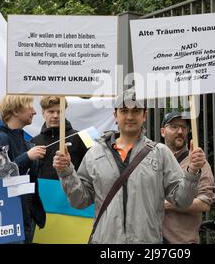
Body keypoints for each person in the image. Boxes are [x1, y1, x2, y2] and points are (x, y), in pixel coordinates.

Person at [53, 88, 206, 243]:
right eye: (124, 110)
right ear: (115, 115)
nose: (130, 116)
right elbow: (80, 200)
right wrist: (66, 172)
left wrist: (192, 171)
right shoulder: (95, 154)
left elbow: (183, 200)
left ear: (144, 115)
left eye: (136, 111)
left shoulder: (160, 153)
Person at [0, 95, 46, 243]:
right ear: (16, 111)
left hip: (26, 217)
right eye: (30, 106)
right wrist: (27, 157)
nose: (35, 112)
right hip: (7, 219)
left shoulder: (25, 142)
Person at [160, 111, 215, 244]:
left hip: (180, 241)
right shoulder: (154, 160)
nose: (180, 131)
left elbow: (204, 203)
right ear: (163, 131)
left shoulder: (198, 163)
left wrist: (166, 205)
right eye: (174, 126)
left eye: (184, 127)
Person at [30, 96, 88, 180]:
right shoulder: (34, 141)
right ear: (43, 113)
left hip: (75, 191)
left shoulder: (84, 136)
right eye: (51, 111)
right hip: (44, 191)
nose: (55, 116)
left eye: (59, 112)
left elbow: (94, 165)